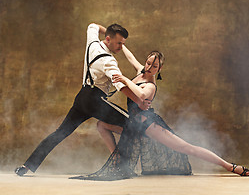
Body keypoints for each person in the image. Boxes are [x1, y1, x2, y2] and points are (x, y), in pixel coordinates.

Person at [70, 46, 249, 180]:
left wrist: (125, 78)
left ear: (159, 69)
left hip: (148, 126)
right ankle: (118, 158)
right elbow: (132, 58)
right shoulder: (142, 71)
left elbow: (140, 96)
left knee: (186, 147)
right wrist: (120, 43)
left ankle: (230, 166)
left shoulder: (150, 86)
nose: (149, 68)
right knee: (101, 125)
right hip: (133, 125)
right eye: (148, 63)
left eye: (154, 66)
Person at [14, 23, 150, 176]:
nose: (121, 47)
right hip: (95, 101)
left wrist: (110, 32)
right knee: (130, 123)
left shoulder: (92, 44)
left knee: (60, 133)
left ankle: (26, 166)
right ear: (108, 39)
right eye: (119, 43)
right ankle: (121, 167)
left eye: (123, 43)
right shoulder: (108, 61)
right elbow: (121, 86)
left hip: (82, 98)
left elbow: (92, 26)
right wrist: (139, 101)